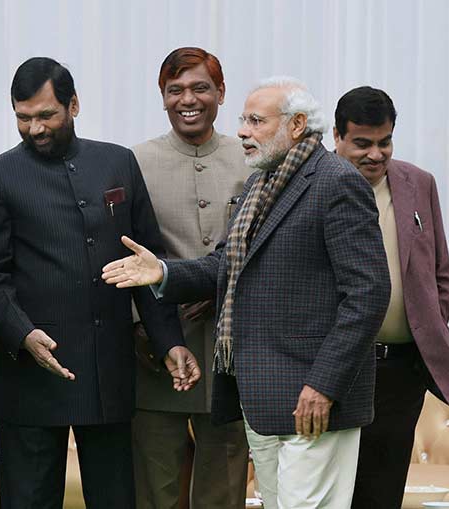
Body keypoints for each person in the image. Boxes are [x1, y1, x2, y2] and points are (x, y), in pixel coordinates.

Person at [103, 76, 392, 508]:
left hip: (315, 402)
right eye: (243, 120)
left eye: (256, 121)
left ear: (296, 125)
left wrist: (324, 385)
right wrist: (162, 272)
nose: (242, 130)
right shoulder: (262, 184)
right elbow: (226, 265)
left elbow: (368, 295)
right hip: (265, 398)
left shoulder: (336, 182)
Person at [0, 57, 201, 509]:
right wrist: (22, 333)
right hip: (32, 375)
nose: (35, 128)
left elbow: (147, 264)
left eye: (46, 116)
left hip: (106, 372)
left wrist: (169, 341)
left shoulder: (117, 162)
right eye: (23, 117)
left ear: (74, 105)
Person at [131, 47, 250, 509]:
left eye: (200, 87)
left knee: (223, 490)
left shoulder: (251, 159)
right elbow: (119, 251)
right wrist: (141, 326)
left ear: (220, 93)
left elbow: (269, 251)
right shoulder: (134, 161)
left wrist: (219, 287)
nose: (188, 99)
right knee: (153, 490)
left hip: (233, 357)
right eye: (175, 89)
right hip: (156, 352)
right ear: (161, 96)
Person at [333, 86, 449, 509]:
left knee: (382, 493)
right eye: (362, 143)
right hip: (336, 371)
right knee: (333, 493)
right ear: (337, 138)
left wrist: (430, 326)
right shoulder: (315, 186)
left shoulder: (419, 183)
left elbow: (440, 272)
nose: (376, 154)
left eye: (384, 142)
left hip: (401, 371)